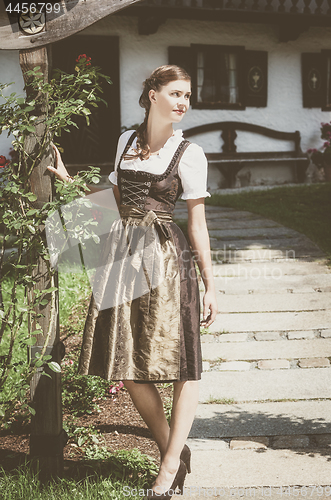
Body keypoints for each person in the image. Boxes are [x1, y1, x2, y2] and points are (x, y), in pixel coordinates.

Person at [47, 65, 217, 498]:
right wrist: (70, 182)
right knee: (128, 364)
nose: (183, 102)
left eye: (188, 96)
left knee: (184, 364)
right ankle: (173, 452)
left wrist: (211, 283)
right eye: (176, 93)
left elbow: (197, 223)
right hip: (123, 257)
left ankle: (168, 466)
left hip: (167, 259)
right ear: (153, 94)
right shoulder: (126, 140)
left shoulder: (190, 153)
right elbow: (115, 202)